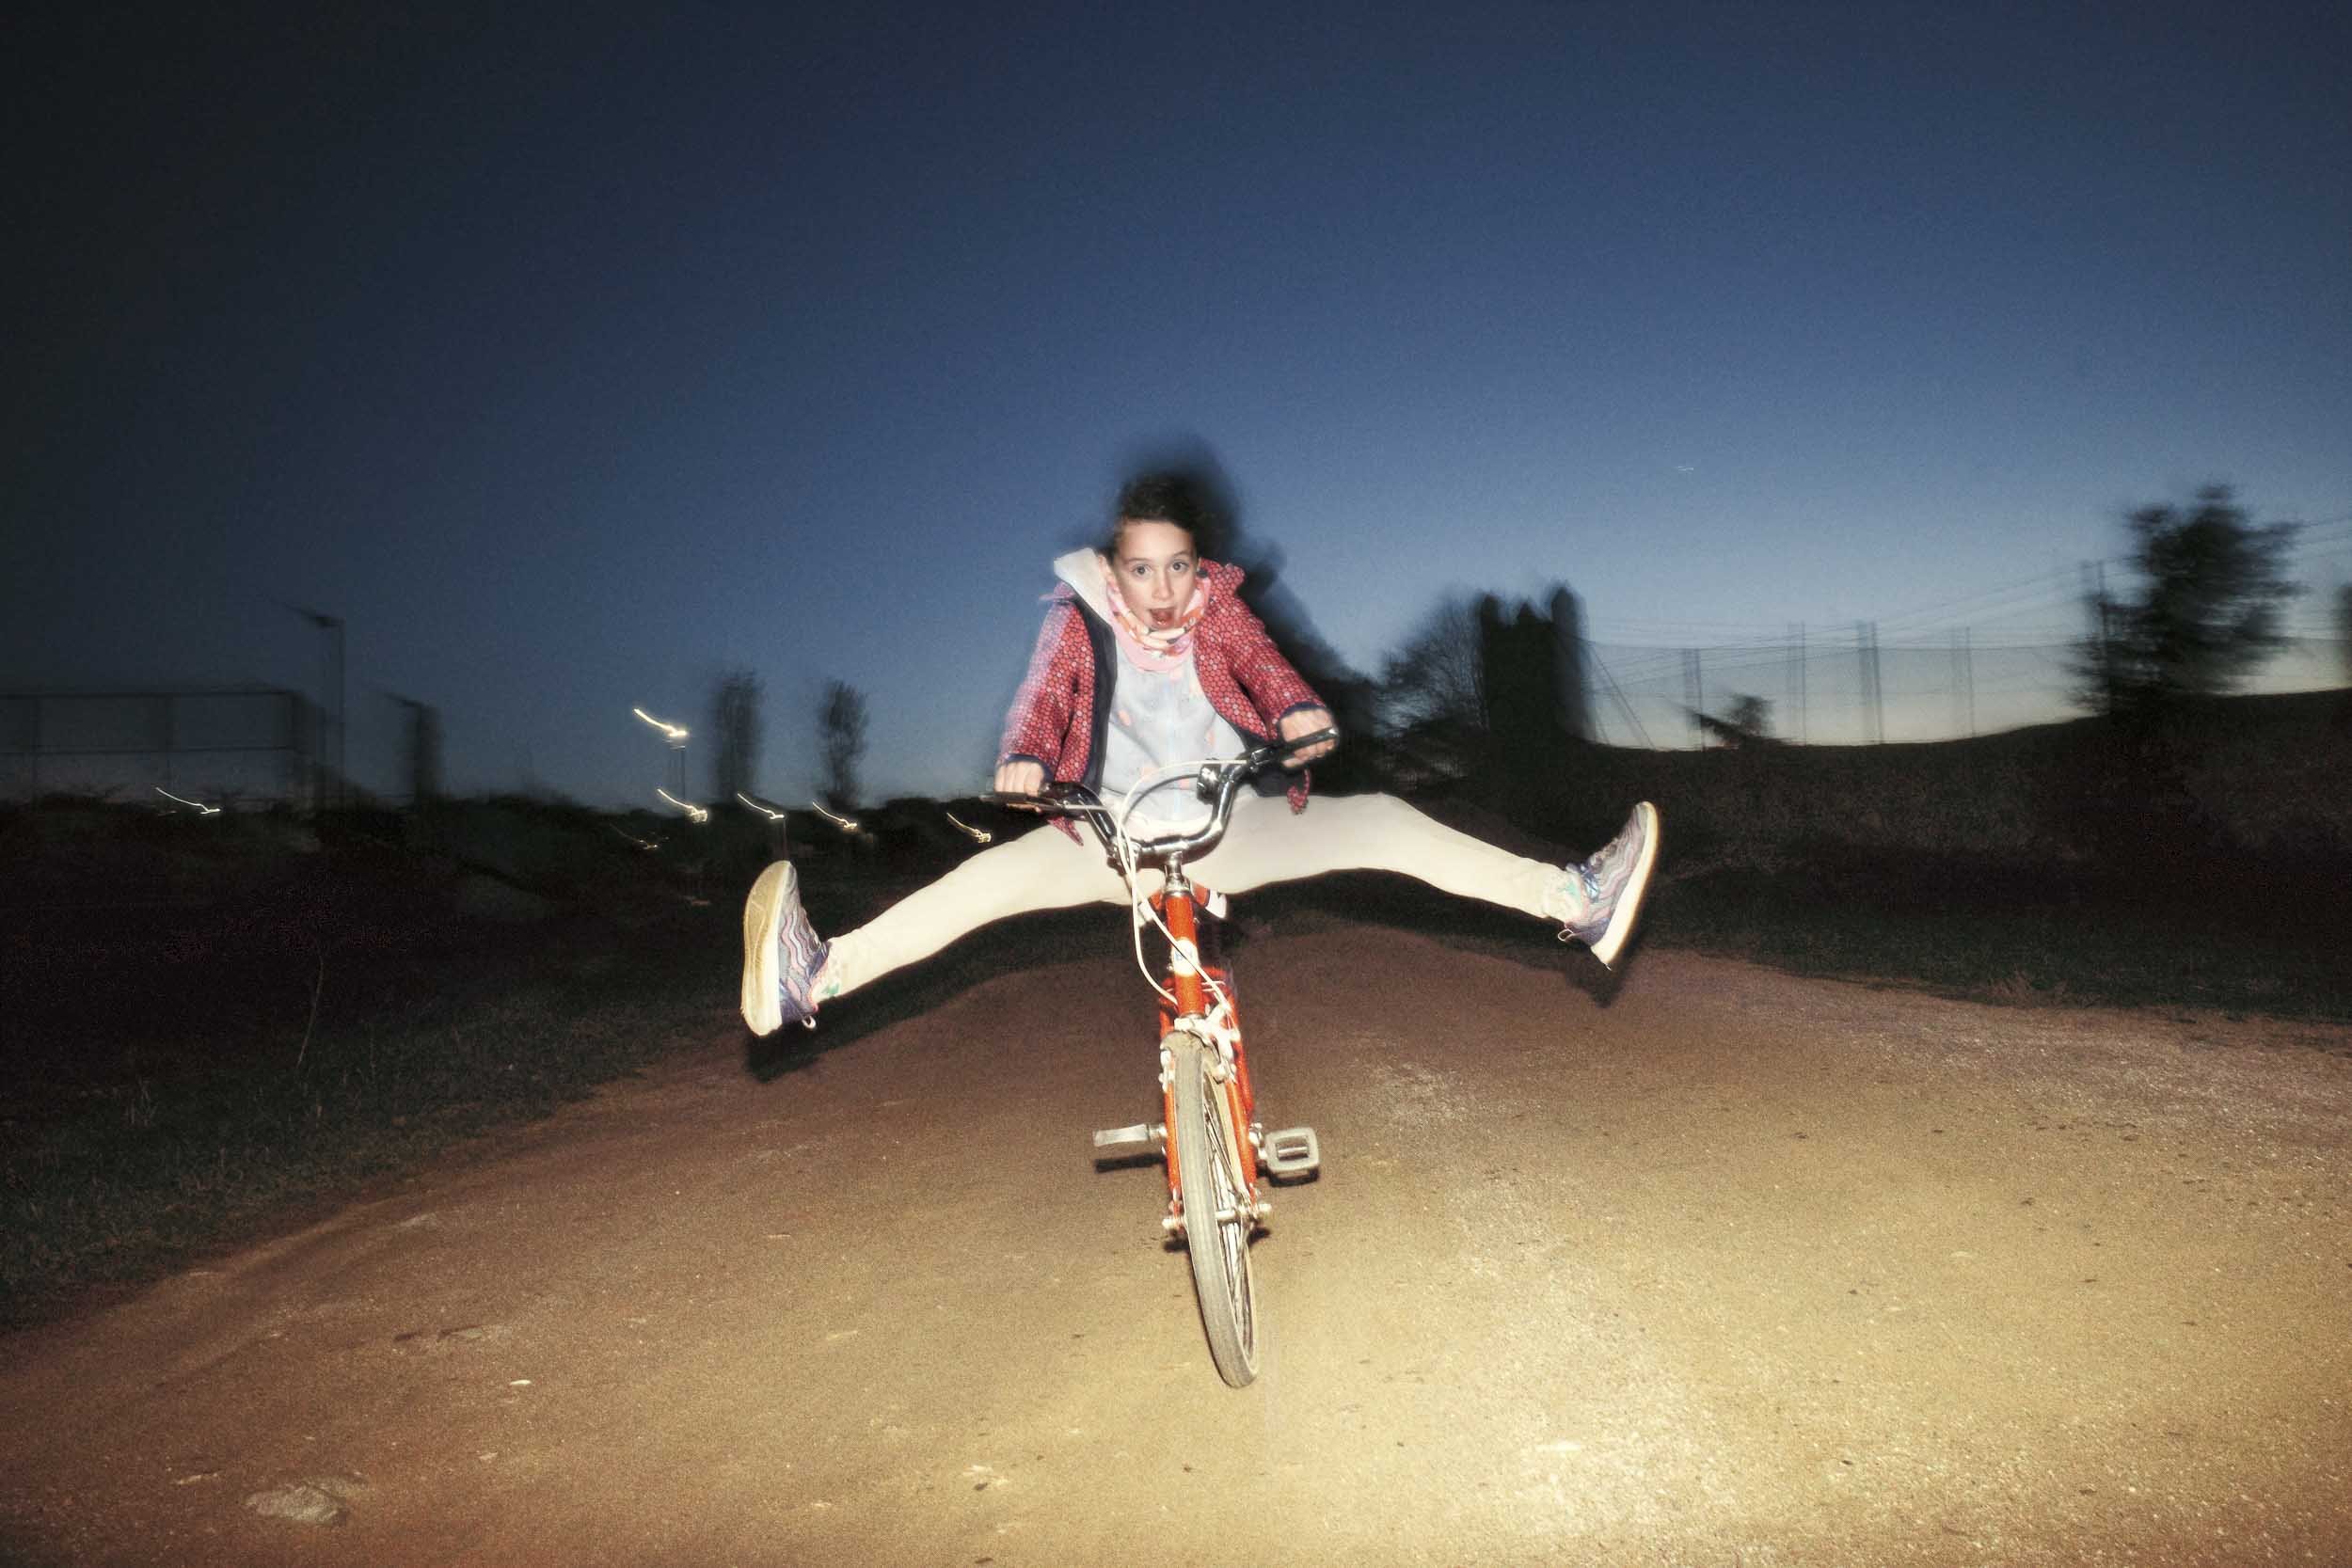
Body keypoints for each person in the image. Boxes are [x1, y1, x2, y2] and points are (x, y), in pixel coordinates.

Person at [741, 470, 1659, 1036]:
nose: (1160, 588)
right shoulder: (1077, 623)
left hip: (1228, 828)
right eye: (1140, 568)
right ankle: (813, 974)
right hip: (1105, 841)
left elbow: (1267, 670)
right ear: (1113, 570)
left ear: (1197, 566)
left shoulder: (1221, 614)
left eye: (1177, 566)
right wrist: (1024, 758)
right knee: (977, 886)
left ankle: (1575, 899)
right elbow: (1041, 702)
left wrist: (1300, 714)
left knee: (1384, 818)